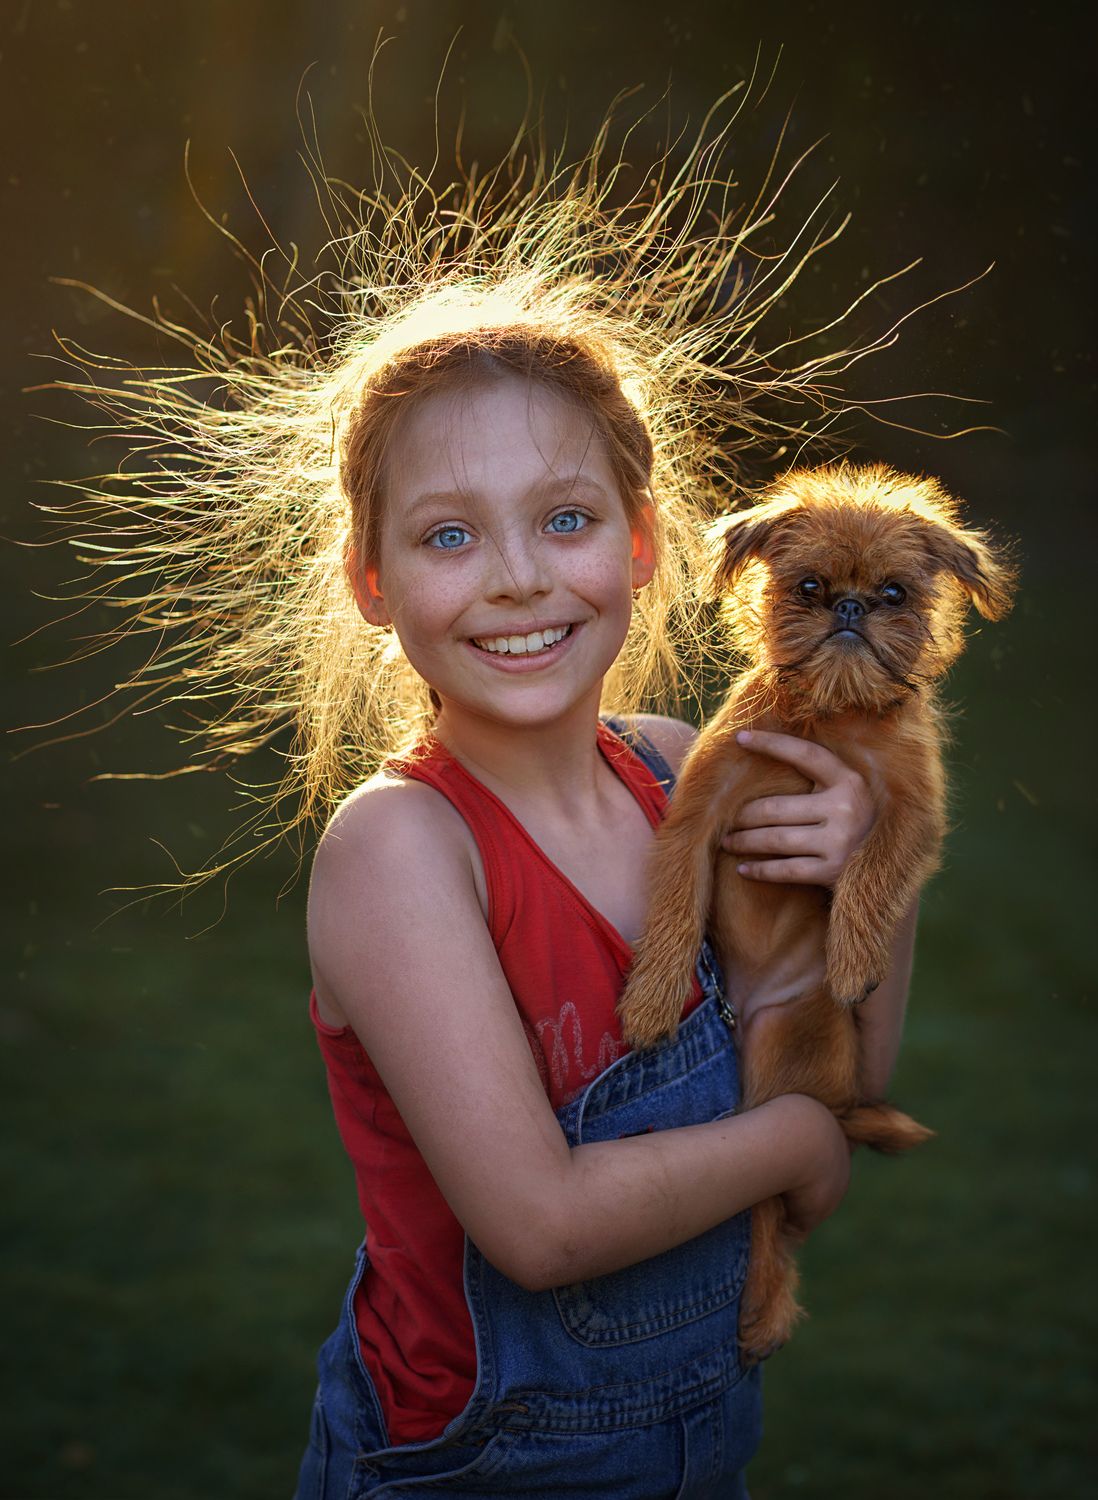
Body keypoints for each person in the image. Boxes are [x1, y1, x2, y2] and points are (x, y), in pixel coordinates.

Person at [45, 98, 918, 1498]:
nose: (516, 577)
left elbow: (848, 1064)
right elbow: (540, 1227)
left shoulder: (676, 770)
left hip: (700, 1440)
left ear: (641, 548)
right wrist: (796, 1142)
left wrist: (874, 876)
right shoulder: (403, 850)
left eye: (564, 521)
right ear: (373, 582)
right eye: (450, 534)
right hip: (482, 1466)